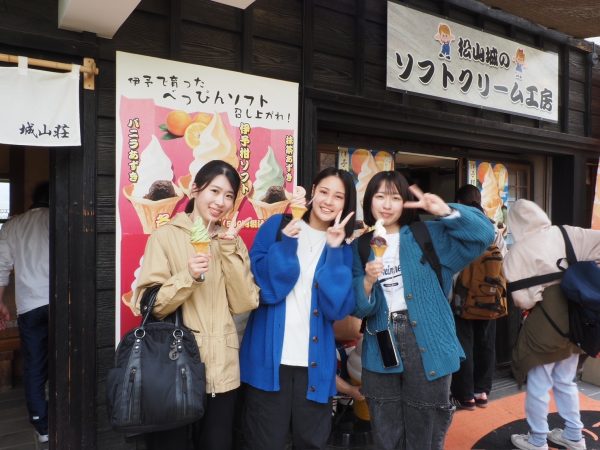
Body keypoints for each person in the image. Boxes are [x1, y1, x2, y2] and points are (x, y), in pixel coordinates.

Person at [352, 171, 494, 450]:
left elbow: (484, 235)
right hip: (381, 342)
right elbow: (359, 308)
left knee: (426, 425)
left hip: (429, 339)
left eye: (395, 197)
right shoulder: (360, 246)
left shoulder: (427, 234)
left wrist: (445, 211)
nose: (387, 204)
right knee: (385, 427)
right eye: (380, 196)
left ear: (405, 202)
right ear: (369, 201)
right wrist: (367, 281)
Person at [130, 160, 259, 450]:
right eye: (214, 191)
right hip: (174, 366)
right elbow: (151, 305)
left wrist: (228, 250)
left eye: (229, 195)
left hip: (222, 369)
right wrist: (188, 276)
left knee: (217, 443)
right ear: (195, 190)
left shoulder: (232, 242)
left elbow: (245, 302)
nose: (221, 202)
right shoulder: (165, 237)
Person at [240, 167, 357, 450]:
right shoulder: (277, 227)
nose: (328, 201)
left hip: (314, 366)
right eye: (324, 192)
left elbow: (336, 309)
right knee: (264, 443)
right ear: (313, 191)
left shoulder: (343, 248)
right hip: (268, 362)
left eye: (338, 196)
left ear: (346, 204)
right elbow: (266, 290)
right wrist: (287, 243)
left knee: (312, 442)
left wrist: (334, 250)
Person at [504, 199, 600, 450]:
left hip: (545, 322)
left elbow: (522, 300)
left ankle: (537, 440)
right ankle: (574, 436)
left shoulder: (517, 252)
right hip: (577, 317)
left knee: (539, 383)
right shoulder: (566, 233)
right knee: (566, 380)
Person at [0, 181, 49, 443]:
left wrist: (1, 303)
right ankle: (65, 410)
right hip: (62, 303)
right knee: (67, 357)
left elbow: (1, 266)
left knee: (34, 365)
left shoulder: (13, 226)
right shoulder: (61, 218)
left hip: (29, 305)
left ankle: (42, 426)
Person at [450, 184, 507, 410]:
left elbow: (452, 265)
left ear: (459, 203)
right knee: (486, 344)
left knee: (463, 344)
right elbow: (503, 260)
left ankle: (465, 396)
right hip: (490, 297)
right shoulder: (493, 228)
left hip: (462, 297)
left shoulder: (457, 227)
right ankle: (482, 391)